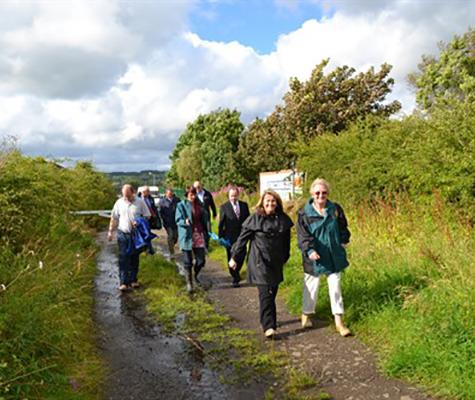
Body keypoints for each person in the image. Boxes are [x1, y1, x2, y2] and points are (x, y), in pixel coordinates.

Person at [229, 190, 293, 339]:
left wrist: (285, 258)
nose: (270, 204)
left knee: (272, 292)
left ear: (277, 203)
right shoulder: (254, 219)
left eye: (273, 201)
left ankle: (269, 320)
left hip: (276, 262)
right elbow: (242, 240)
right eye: (267, 201)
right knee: (265, 294)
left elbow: (286, 244)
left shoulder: (283, 219)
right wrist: (234, 258)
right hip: (259, 262)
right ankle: (269, 326)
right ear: (262, 203)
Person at [296, 178, 351, 337]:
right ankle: (306, 315)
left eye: (324, 193)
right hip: (313, 258)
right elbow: (303, 236)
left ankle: (339, 323)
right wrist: (310, 250)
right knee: (311, 288)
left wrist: (344, 240)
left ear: (328, 194)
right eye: (318, 193)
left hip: (334, 256)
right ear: (312, 194)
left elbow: (343, 227)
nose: (321, 195)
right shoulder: (304, 213)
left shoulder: (335, 209)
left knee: (335, 288)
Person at [108, 184, 151, 291]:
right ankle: (123, 282)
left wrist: (139, 221)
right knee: (123, 257)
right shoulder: (119, 202)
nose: (126, 198)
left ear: (133, 193)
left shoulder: (140, 202)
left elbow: (147, 215)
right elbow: (113, 218)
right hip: (122, 233)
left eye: (128, 195)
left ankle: (133, 280)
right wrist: (110, 232)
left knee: (134, 257)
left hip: (135, 235)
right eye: (124, 196)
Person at [176, 186, 210, 293]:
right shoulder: (181, 205)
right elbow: (178, 220)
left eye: (194, 194)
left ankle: (195, 275)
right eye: (191, 194)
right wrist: (184, 222)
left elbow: (206, 219)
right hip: (186, 235)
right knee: (187, 261)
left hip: (198, 235)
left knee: (201, 260)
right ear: (186, 195)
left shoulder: (200, 205)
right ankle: (189, 283)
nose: (193, 196)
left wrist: (208, 231)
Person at [218, 186, 250, 287]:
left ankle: (237, 271)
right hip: (229, 237)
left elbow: (248, 221)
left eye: (235, 196)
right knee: (231, 256)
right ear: (228, 196)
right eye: (232, 196)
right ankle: (235, 277)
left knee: (242, 254)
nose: (234, 198)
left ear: (238, 195)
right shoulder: (224, 207)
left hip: (242, 236)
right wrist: (221, 237)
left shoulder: (244, 206)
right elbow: (221, 224)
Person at [193, 181, 217, 246]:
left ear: (201, 186)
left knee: (208, 231)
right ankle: (202, 246)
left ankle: (206, 245)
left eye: (198, 187)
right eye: (195, 187)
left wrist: (214, 213)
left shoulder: (207, 194)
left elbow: (212, 204)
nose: (197, 189)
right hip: (198, 216)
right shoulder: (193, 195)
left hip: (207, 215)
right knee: (200, 231)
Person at [139, 186, 161, 254]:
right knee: (145, 234)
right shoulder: (138, 199)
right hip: (141, 219)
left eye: (149, 191)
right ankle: (148, 250)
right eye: (147, 192)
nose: (149, 193)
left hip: (150, 219)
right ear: (143, 192)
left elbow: (153, 207)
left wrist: (155, 215)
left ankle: (148, 249)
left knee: (147, 233)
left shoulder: (150, 198)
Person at [159, 188, 180, 257]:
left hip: (176, 221)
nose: (170, 194)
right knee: (170, 235)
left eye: (171, 193)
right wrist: (163, 220)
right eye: (168, 193)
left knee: (176, 236)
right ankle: (171, 251)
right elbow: (161, 212)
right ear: (166, 194)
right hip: (167, 223)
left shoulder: (177, 200)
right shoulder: (162, 201)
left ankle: (171, 244)